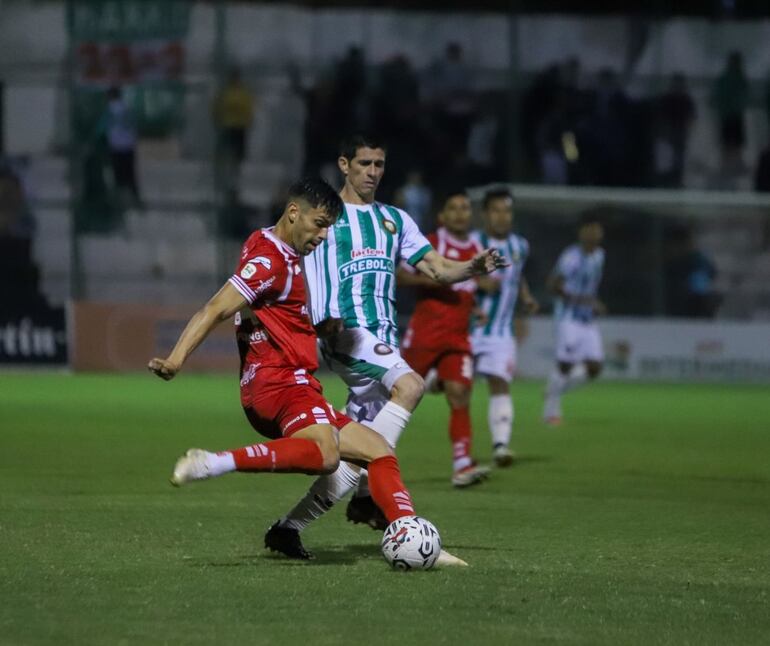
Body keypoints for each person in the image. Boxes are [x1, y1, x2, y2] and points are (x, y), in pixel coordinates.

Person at [147, 178, 429, 559]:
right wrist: (176, 359)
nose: (324, 235)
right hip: (279, 384)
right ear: (294, 213)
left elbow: (272, 314)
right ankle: (213, 463)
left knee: (377, 450)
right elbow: (216, 308)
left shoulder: (270, 244)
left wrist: (315, 327)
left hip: (293, 383)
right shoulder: (271, 261)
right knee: (328, 456)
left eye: (330, 226)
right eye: (320, 223)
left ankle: (406, 532)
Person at [263, 134, 506, 559]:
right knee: (411, 386)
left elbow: (435, 268)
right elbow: (291, 254)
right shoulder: (326, 218)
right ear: (344, 165)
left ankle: (289, 528)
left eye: (379, 164)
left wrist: (472, 266)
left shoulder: (394, 220)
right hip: (346, 334)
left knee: (357, 457)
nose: (373, 172)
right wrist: (314, 319)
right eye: (364, 164)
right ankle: (404, 522)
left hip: (383, 340)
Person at [399, 190, 489, 487]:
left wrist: (475, 308)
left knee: (460, 393)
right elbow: (400, 275)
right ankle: (366, 456)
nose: (461, 213)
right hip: (425, 334)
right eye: (454, 207)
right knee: (399, 398)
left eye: (465, 208)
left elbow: (467, 289)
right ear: (442, 216)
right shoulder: (431, 243)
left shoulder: (477, 247)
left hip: (458, 337)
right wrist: (432, 279)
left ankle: (462, 463)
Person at [470, 189, 539, 465]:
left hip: (501, 332)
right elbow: (450, 274)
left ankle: (500, 445)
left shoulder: (520, 246)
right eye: (496, 210)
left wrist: (526, 297)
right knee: (444, 385)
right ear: (485, 214)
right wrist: (477, 281)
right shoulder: (473, 243)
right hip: (468, 329)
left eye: (507, 211)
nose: (502, 216)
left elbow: (517, 277)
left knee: (500, 383)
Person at [542, 211, 606, 425]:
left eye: (596, 230)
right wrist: (584, 301)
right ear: (581, 233)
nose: (593, 234)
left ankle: (553, 389)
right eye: (589, 230)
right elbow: (553, 284)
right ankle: (551, 411)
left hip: (587, 320)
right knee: (565, 364)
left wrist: (591, 304)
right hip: (568, 317)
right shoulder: (572, 257)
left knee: (594, 368)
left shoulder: (599, 256)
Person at [213, 67, 256, 176]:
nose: (235, 80)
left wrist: (248, 120)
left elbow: (249, 107)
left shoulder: (243, 92)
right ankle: (223, 172)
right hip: (227, 125)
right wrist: (217, 119)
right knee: (226, 151)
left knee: (238, 153)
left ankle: (234, 172)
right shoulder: (225, 92)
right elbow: (217, 107)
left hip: (239, 126)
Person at [103, 86, 141, 207]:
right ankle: (135, 198)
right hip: (128, 144)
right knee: (130, 172)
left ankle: (119, 199)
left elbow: (103, 126)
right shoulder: (127, 108)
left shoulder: (109, 109)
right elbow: (134, 125)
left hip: (116, 145)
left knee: (118, 173)